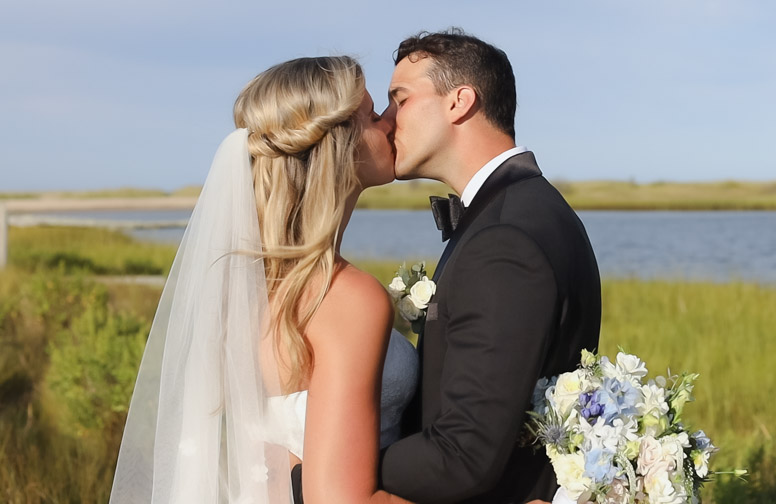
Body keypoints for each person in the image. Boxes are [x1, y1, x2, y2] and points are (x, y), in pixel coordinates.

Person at [301, 29, 603, 502]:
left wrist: (334, 469)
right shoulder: (522, 209)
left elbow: (463, 455)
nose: (386, 119)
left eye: (400, 98)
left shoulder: (506, 238)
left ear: (459, 102)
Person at [109, 56, 418, 504]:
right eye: (372, 114)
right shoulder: (344, 297)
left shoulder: (247, 290)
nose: (389, 122)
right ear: (340, 144)